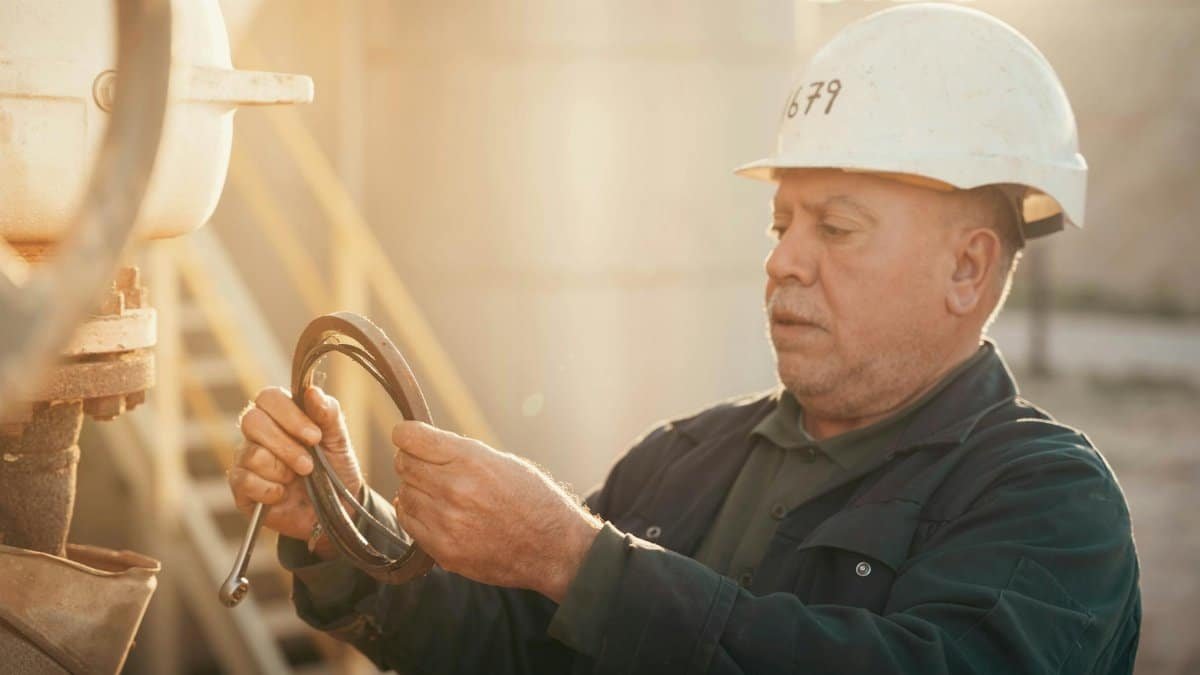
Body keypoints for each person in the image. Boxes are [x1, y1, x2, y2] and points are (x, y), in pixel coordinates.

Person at [228, 5, 1140, 673]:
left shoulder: (1049, 505)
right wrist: (346, 525)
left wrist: (577, 560)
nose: (782, 260)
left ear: (967, 269)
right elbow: (512, 648)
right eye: (781, 222)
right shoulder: (683, 460)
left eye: (836, 227)